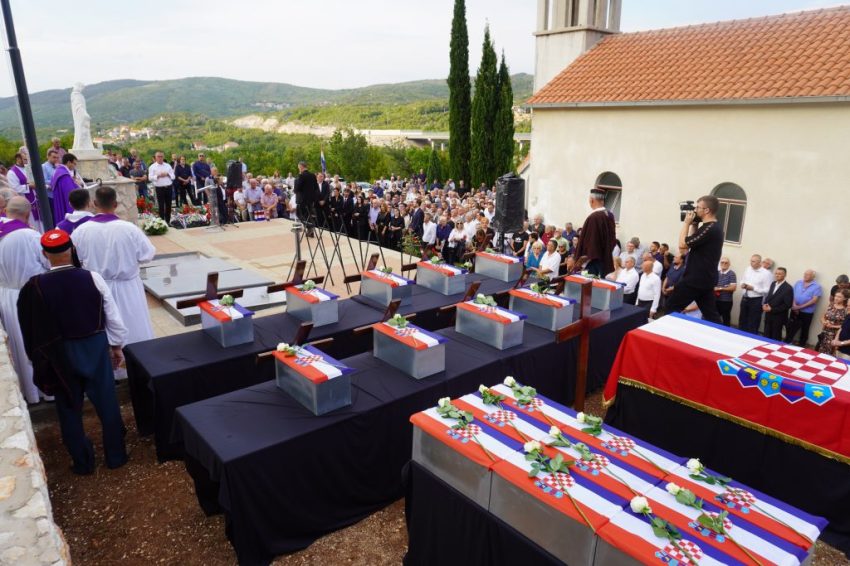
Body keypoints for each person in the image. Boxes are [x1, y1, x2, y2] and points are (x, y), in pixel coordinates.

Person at [17, 228, 128, 474]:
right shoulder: (92, 278)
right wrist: (117, 345)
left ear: (44, 254)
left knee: (68, 407)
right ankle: (116, 456)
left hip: (59, 353)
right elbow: (112, 316)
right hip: (94, 346)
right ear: (72, 249)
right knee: (107, 402)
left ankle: (82, 462)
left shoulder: (35, 286)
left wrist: (37, 358)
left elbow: (31, 327)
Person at [72, 186, 156, 346]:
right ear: (115, 204)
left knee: (103, 327)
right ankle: (137, 355)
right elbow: (147, 255)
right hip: (127, 288)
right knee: (134, 326)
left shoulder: (81, 231)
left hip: (96, 288)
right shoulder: (130, 229)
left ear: (94, 203)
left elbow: (76, 259)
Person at [0, 197, 49, 404]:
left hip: (6, 296)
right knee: (37, 341)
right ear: (28, 214)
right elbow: (48, 261)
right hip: (30, 296)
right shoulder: (30, 236)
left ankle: (29, 393)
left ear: (6, 211)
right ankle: (47, 390)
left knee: (18, 345)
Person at [663, 195, 724, 324]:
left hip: (696, 279)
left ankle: (670, 333)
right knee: (711, 315)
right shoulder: (711, 227)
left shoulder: (710, 228)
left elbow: (682, 245)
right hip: (705, 279)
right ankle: (721, 333)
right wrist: (694, 225)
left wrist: (686, 223)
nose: (695, 210)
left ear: (706, 210)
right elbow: (692, 243)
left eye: (697, 207)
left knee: (670, 307)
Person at [574, 188, 616, 277]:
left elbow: (590, 241)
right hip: (605, 258)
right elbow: (612, 239)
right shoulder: (609, 215)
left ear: (592, 200)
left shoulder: (594, 217)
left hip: (593, 261)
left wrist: (582, 259)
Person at [784, 270, 822, 346]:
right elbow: (793, 294)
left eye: (808, 274)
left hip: (807, 312)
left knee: (805, 328)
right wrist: (794, 305)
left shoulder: (817, 286)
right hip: (794, 309)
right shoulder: (798, 282)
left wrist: (799, 307)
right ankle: (788, 341)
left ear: (813, 276)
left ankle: (802, 344)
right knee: (790, 326)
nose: (805, 275)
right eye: (805, 274)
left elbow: (814, 300)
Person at [738, 254, 772, 334]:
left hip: (756, 300)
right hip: (745, 297)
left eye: (753, 261)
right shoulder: (748, 269)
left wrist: (753, 288)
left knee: (753, 322)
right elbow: (742, 280)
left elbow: (768, 290)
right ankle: (740, 335)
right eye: (751, 261)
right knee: (742, 320)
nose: (751, 263)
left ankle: (751, 337)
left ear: (759, 262)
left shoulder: (766, 274)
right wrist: (742, 284)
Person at [8, 152, 40, 228]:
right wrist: (29, 186)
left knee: (40, 220)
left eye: (27, 159)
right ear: (18, 159)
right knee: (31, 221)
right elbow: (15, 188)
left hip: (36, 199)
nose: (27, 161)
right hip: (24, 200)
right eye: (25, 159)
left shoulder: (29, 168)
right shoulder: (12, 172)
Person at [762, 267, 793, 340]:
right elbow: (769, 296)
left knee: (775, 336)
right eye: (776, 273)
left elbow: (787, 305)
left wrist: (772, 309)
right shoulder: (773, 284)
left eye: (779, 274)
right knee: (766, 334)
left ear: (784, 275)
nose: (777, 275)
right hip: (768, 315)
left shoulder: (788, 288)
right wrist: (765, 304)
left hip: (778, 317)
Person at [51, 153, 80, 227]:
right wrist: (79, 185)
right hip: (66, 204)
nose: (75, 166)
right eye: (74, 164)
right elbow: (71, 193)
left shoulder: (59, 171)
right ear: (69, 162)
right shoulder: (64, 175)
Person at [294, 161, 319, 236]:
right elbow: (316, 188)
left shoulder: (301, 176)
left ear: (301, 166)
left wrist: (296, 185)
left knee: (299, 213)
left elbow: (297, 188)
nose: (298, 169)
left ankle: (310, 227)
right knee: (308, 215)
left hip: (302, 200)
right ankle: (310, 231)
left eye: (298, 167)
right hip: (310, 200)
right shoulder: (313, 175)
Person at [148, 152, 175, 221]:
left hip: (168, 187)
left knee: (169, 205)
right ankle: (162, 221)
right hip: (159, 188)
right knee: (161, 205)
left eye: (161, 156)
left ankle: (168, 221)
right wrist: (158, 176)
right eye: (158, 156)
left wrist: (167, 174)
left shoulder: (168, 165)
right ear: (155, 157)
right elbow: (150, 178)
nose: (160, 158)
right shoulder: (152, 167)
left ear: (163, 157)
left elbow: (173, 176)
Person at [822, 290, 849, 354]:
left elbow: (845, 325)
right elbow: (823, 316)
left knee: (831, 353)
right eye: (836, 296)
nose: (836, 298)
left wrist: (833, 326)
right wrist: (824, 322)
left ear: (845, 298)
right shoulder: (831, 305)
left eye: (839, 297)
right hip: (825, 332)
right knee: (822, 352)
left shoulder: (846, 309)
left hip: (836, 335)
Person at [715, 257, 737, 326]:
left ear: (729, 264)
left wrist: (720, 288)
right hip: (716, 300)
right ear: (720, 263)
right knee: (715, 319)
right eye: (722, 262)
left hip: (726, 301)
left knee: (726, 320)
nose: (724, 264)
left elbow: (733, 288)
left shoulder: (731, 274)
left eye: (726, 263)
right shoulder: (717, 273)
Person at [830, 293, 850, 361]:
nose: (848, 307)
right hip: (839, 349)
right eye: (847, 305)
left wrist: (841, 343)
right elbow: (841, 328)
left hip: (847, 353)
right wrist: (836, 340)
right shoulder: (848, 315)